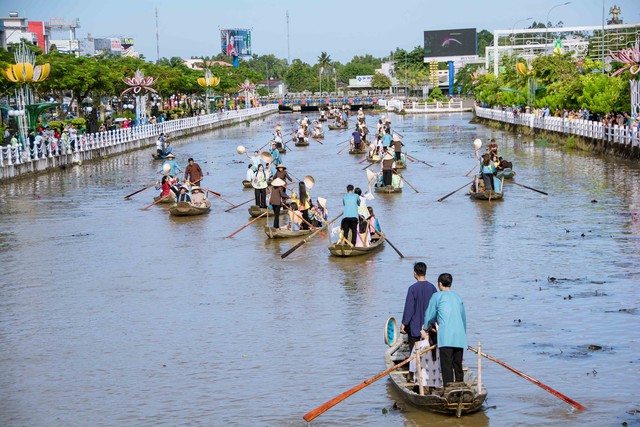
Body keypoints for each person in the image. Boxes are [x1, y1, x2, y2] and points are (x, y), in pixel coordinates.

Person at [423, 273, 467, 387]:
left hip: (446, 337)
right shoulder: (458, 297)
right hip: (460, 336)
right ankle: (460, 385)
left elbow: (429, 315)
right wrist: (463, 336)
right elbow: (463, 320)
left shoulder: (437, 296)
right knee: (458, 364)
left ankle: (449, 389)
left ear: (439, 284)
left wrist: (425, 327)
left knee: (446, 365)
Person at [401, 262, 437, 352]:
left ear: (415, 273)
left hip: (415, 327)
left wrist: (404, 323)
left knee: (414, 354)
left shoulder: (412, 289)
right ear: (426, 272)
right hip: (429, 327)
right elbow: (436, 308)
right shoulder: (432, 288)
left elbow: (409, 309)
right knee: (430, 353)